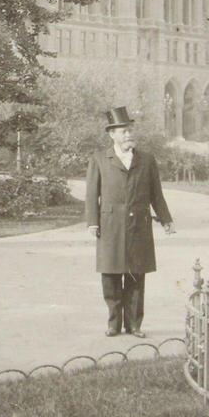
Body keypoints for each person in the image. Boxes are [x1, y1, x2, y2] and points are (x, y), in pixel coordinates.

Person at [85, 107, 175, 337]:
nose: (129, 135)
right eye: (123, 131)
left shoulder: (146, 160)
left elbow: (156, 194)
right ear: (112, 134)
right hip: (110, 226)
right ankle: (113, 324)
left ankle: (134, 324)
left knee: (136, 275)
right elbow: (91, 194)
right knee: (111, 275)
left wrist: (166, 220)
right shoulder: (99, 159)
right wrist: (93, 222)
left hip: (139, 226)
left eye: (130, 131)